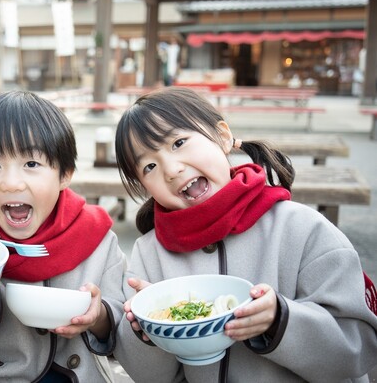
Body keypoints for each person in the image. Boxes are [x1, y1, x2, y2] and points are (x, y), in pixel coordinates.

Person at [112, 87, 377, 382]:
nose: (171, 170)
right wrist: (150, 334)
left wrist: (280, 320)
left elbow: (360, 346)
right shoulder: (149, 254)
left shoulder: (302, 229)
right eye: (149, 166)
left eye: (179, 142)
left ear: (223, 136)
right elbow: (149, 377)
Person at [0, 91, 127, 382]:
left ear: (65, 174)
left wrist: (99, 316)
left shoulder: (98, 239)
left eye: (31, 164)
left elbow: (122, 333)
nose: (12, 183)